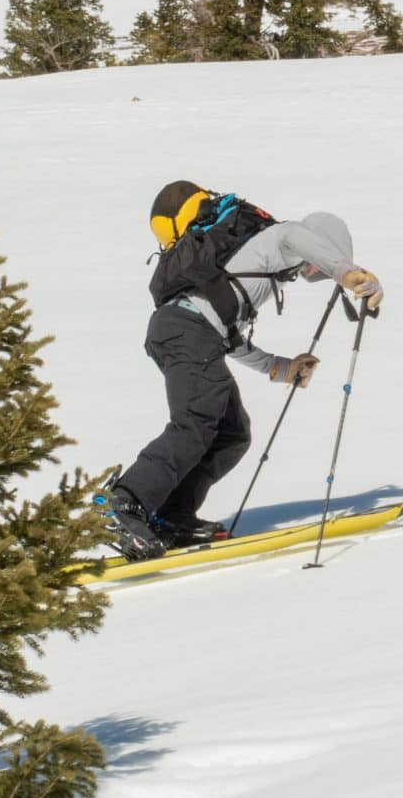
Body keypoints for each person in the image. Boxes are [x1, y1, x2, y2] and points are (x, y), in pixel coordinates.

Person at [101, 182, 385, 559]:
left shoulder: (257, 265)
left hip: (189, 331)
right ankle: (123, 503)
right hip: (187, 331)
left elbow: (227, 334)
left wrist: (280, 368)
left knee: (232, 433)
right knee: (197, 421)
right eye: (321, 261)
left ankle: (172, 516)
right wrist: (348, 273)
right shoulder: (280, 238)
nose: (311, 271)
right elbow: (297, 236)